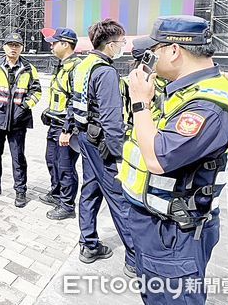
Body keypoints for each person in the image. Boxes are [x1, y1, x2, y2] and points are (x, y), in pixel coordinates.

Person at [121, 15, 228, 304]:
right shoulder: (189, 90)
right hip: (161, 225)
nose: (147, 61)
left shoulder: (209, 106)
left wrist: (139, 101)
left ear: (174, 51)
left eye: (153, 52)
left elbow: (158, 159)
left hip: (176, 234)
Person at [66, 18, 136, 275]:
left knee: (90, 190)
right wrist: (118, 155)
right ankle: (134, 258)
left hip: (86, 138)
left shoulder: (83, 65)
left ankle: (88, 244)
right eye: (122, 43)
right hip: (103, 144)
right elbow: (111, 119)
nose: (123, 47)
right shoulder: (105, 72)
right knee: (119, 198)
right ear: (110, 45)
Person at [0, 32, 42, 208]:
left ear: (22, 48)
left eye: (17, 45)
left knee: (18, 157)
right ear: (4, 46)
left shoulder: (29, 68)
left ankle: (20, 191)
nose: (14, 48)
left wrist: (25, 106)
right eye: (10, 44)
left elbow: (37, 92)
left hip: (18, 122)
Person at [40, 28, 82, 220]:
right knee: (52, 161)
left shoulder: (76, 68)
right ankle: (56, 193)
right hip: (55, 124)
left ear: (65, 44)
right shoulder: (63, 65)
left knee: (65, 166)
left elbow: (76, 100)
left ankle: (67, 205)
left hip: (66, 128)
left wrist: (68, 129)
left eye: (54, 42)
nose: (51, 45)